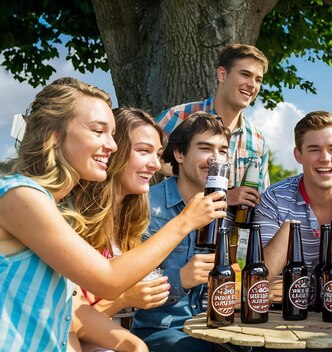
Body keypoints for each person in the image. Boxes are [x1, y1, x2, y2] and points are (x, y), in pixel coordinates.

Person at [0, 77, 226, 351]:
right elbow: (107, 282)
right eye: (98, 131)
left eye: (112, 134)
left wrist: (134, 346)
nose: (113, 145)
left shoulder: (51, 204)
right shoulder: (19, 194)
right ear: (54, 135)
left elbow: (71, 308)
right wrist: (186, 221)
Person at [69, 108, 170, 351]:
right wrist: (124, 298)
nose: (156, 164)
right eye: (143, 151)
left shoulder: (128, 223)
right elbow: (69, 318)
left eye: (157, 154)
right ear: (114, 151)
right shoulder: (72, 218)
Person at [131, 111, 232, 352]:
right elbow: (124, 282)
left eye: (223, 151)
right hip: (163, 332)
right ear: (179, 154)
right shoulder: (145, 206)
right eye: (206, 148)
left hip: (218, 330)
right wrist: (180, 279)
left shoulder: (225, 212)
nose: (216, 159)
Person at [156, 43, 270, 213]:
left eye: (258, 79)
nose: (252, 85)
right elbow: (147, 165)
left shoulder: (257, 139)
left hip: (229, 234)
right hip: (171, 224)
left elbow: (262, 196)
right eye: (245, 75)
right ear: (222, 75)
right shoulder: (177, 117)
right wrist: (223, 195)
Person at [255, 111, 332, 281]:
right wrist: (291, 228)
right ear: (298, 155)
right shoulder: (274, 198)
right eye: (314, 150)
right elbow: (261, 277)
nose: (325, 158)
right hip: (289, 307)